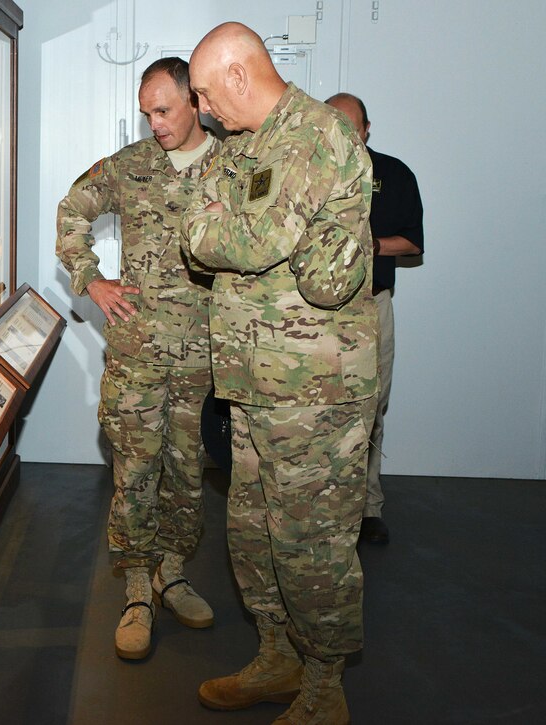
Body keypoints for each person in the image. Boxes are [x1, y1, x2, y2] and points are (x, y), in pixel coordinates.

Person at [181, 23, 378, 724]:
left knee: (312, 541)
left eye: (205, 93)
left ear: (239, 75)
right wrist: (212, 227)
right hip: (254, 382)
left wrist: (213, 224)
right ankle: (278, 654)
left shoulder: (314, 134)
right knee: (253, 529)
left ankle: (325, 685)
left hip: (313, 390)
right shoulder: (247, 147)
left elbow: (240, 237)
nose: (202, 110)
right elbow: (206, 246)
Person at [55, 57, 220, 661]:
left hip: (206, 357)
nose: (154, 123)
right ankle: (134, 591)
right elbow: (72, 211)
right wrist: (90, 279)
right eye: (147, 111)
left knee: (188, 473)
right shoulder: (129, 166)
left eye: (164, 110)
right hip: (139, 356)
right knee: (135, 472)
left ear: (195, 103)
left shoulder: (233, 166)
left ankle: (172, 573)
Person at [326, 93, 424, 546]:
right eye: (336, 125)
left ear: (367, 128)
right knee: (317, 412)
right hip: (312, 315)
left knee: (372, 407)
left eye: (353, 126)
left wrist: (367, 243)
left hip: (371, 306)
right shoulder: (305, 170)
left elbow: (412, 242)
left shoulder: (394, 173)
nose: (346, 134)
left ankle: (367, 507)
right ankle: (322, 505)